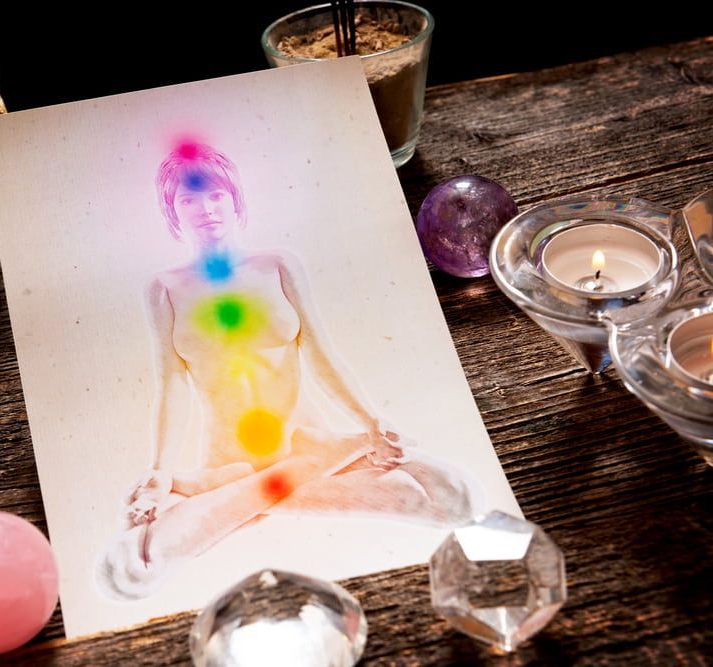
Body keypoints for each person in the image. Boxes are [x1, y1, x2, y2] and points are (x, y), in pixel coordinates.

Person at [97, 142, 483, 600]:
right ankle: (294, 471)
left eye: (216, 194)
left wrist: (371, 422)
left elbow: (321, 355)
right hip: (228, 465)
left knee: (455, 497)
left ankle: (291, 473)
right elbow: (172, 385)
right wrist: (160, 471)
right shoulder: (164, 289)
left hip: (304, 442)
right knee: (130, 574)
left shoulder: (277, 265)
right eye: (189, 199)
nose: (205, 209)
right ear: (172, 212)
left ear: (235, 199)